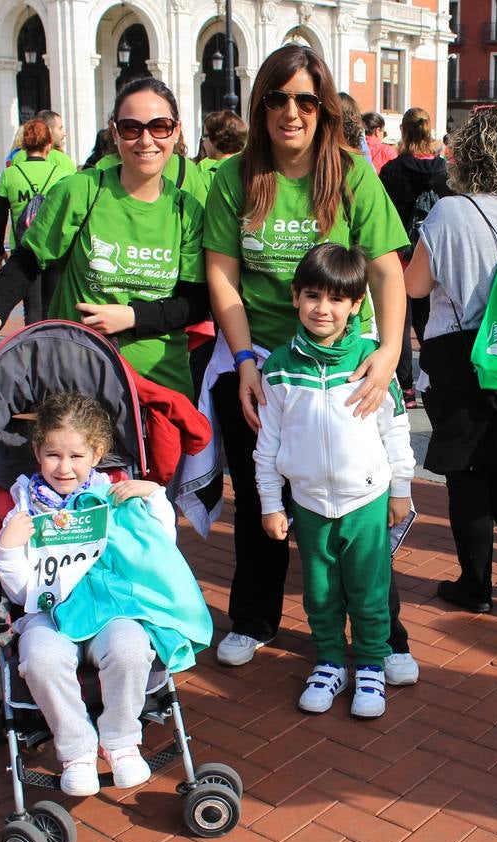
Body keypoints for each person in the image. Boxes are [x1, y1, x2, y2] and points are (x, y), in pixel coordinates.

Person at [201, 45, 417, 682]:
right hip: (266, 360)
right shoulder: (233, 176)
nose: (290, 113)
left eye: (304, 99)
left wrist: (387, 355)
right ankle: (254, 618)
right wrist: (243, 359)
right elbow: (223, 276)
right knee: (260, 496)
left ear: (323, 107)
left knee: (363, 502)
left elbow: (386, 271)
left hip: (344, 360)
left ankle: (386, 635)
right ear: (260, 104)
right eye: (276, 98)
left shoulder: (352, 172)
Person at [0, 391, 213, 796]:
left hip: (111, 608)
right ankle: (77, 748)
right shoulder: (24, 506)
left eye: (76, 456)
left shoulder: (114, 494)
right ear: (37, 451)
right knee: (39, 657)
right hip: (49, 612)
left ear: (96, 454)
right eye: (53, 455)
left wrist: (153, 496)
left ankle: (120, 739)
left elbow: (156, 551)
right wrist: (8, 548)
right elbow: (21, 589)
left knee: (132, 646)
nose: (64, 467)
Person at [0, 78, 208, 401]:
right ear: (115, 132)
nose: (146, 140)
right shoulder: (82, 191)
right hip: (77, 381)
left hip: (159, 387)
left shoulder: (186, 210)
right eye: (132, 128)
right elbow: (28, 260)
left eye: (159, 127)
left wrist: (130, 317)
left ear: (175, 131)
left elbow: (195, 303)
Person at [403, 104, 497, 613]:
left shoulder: (451, 211)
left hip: (460, 351)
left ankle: (475, 584)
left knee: (466, 471)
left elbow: (416, 285)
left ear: (470, 152)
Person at [255, 244, 415, 717]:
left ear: (357, 304)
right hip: (308, 503)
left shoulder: (372, 360)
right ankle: (328, 662)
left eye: (336, 299)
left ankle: (369, 664)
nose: (322, 309)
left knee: (368, 589)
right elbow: (267, 443)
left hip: (366, 499)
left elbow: (396, 429)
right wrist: (270, 502)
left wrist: (401, 488)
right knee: (320, 592)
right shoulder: (279, 367)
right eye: (312, 296)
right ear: (294, 297)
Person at [380, 106, 454, 404]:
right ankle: (435, 378)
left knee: (399, 321)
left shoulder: (392, 170)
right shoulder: (444, 170)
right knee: (427, 319)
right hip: (431, 253)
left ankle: (406, 389)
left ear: (403, 132)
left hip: (399, 254)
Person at [0, 118, 63, 323]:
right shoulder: (63, 174)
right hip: (53, 249)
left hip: (23, 247)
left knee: (32, 307)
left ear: (23, 146)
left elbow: (0, 216)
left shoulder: (10, 175)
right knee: (52, 305)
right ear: (49, 146)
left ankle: (33, 348)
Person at [196, 109, 247, 192]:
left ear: (216, 139)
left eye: (205, 136)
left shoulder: (205, 179)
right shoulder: (252, 172)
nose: (203, 141)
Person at [36, 110, 78, 179]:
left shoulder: (18, 157)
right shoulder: (62, 160)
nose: (64, 134)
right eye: (60, 128)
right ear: (48, 130)